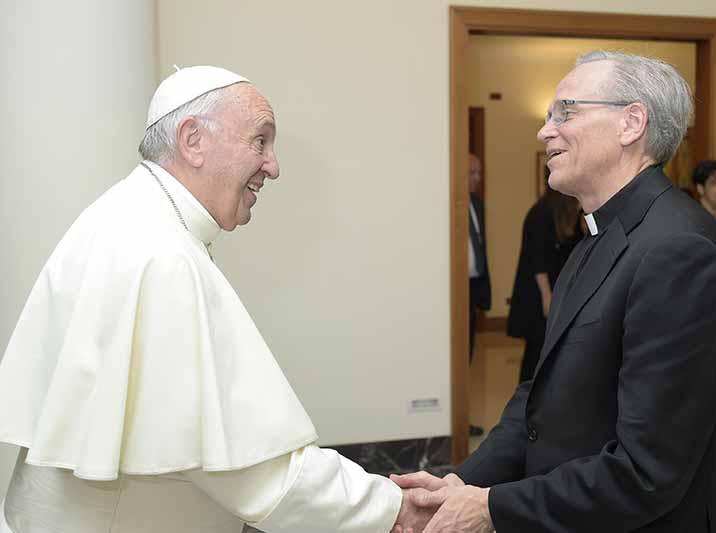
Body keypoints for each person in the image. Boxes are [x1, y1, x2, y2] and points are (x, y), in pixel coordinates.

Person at [0, 66, 430, 533]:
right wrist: (393, 509)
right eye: (260, 141)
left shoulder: (128, 217)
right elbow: (248, 468)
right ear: (193, 140)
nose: (273, 165)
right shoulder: (160, 253)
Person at [393, 51, 716, 532]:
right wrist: (463, 482)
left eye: (565, 112)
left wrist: (492, 507)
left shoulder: (682, 253)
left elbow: (647, 472)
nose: (544, 131)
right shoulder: (599, 238)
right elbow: (540, 399)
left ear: (631, 123)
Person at [507, 176, 583, 383]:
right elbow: (537, 260)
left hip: (555, 290)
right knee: (536, 351)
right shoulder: (541, 214)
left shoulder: (565, 214)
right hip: (539, 295)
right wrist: (547, 297)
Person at [468, 153, 491, 437]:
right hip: (456, 289)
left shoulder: (477, 205)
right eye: (471, 172)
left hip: (472, 288)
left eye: (478, 172)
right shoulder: (450, 204)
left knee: (470, 351)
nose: (477, 178)